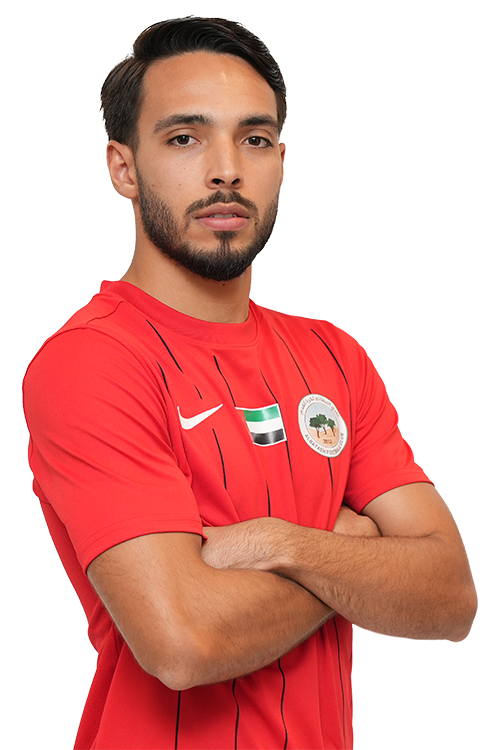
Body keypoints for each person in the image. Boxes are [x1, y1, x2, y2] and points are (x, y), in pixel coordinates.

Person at [22, 15, 477, 750]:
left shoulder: (334, 355)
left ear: (281, 161)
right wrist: (356, 547)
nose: (226, 170)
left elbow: (449, 597)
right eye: (185, 138)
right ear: (123, 168)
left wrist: (279, 543)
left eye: (255, 138)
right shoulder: (91, 362)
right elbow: (184, 642)